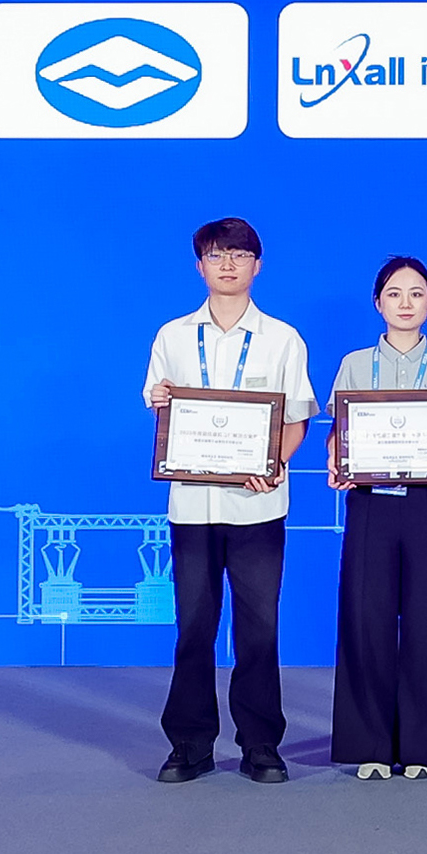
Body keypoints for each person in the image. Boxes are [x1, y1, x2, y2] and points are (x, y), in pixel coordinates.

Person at [141, 217, 315, 785]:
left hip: (257, 506)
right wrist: (160, 399)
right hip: (193, 506)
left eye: (240, 255)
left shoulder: (282, 338)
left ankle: (260, 744)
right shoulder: (172, 336)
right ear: (200, 266)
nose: (228, 265)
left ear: (257, 266)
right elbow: (162, 406)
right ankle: (189, 744)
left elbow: (295, 419)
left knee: (258, 629)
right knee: (194, 627)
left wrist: (273, 464)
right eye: (217, 255)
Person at [325, 255, 427, 781]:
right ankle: (369, 745)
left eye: (416, 294)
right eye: (394, 293)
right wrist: (336, 458)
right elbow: (339, 431)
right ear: (377, 303)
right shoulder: (355, 364)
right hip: (371, 503)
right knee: (366, 618)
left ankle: (424, 748)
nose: (405, 303)